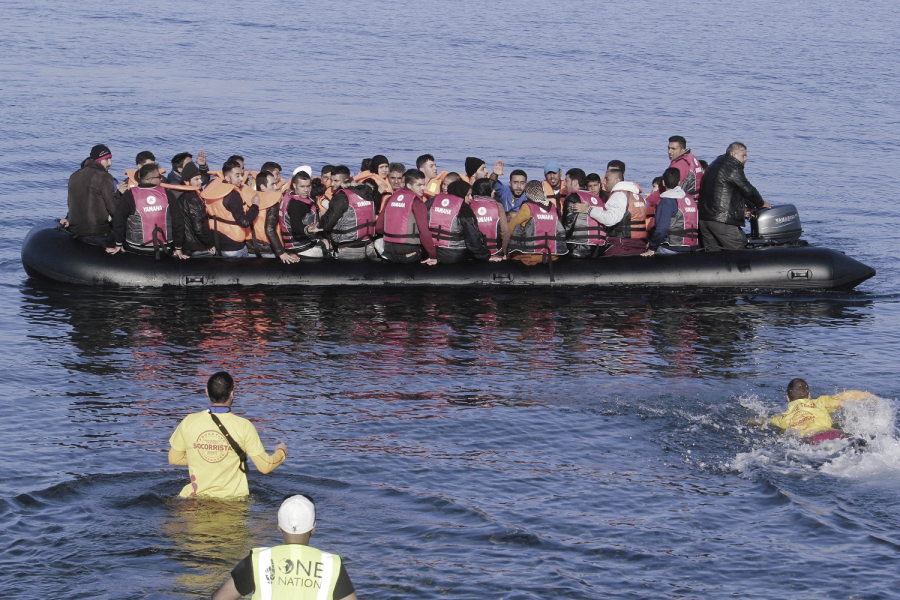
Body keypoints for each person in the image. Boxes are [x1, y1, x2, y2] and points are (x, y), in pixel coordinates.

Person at [211, 494, 357, 600]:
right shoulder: (332, 565)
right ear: (313, 528)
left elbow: (220, 598)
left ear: (279, 527)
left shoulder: (258, 560)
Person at [168, 371, 288, 499]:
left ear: (207, 392)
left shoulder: (189, 421)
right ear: (232, 393)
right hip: (232, 502)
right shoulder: (244, 426)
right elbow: (265, 466)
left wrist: (205, 455)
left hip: (192, 500)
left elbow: (174, 459)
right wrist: (282, 452)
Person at [698, 142, 771, 251]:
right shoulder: (732, 167)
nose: (745, 159)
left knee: (712, 258)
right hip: (722, 221)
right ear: (733, 154)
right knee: (738, 254)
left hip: (705, 219)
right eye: (743, 155)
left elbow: (733, 191)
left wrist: (749, 207)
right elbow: (748, 190)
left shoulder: (715, 164)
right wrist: (760, 204)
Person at [760, 378, 873, 440]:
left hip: (808, 440)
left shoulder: (782, 418)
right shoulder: (820, 402)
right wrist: (871, 397)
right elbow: (848, 396)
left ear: (788, 399)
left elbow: (763, 421)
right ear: (809, 395)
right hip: (834, 434)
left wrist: (747, 420)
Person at [573, 167, 648, 256]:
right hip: (639, 244)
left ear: (617, 180)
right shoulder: (636, 195)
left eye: (607, 179)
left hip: (622, 245)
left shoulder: (619, 195)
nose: (604, 182)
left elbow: (611, 218)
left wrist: (588, 209)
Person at [107, 163, 174, 255]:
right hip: (164, 247)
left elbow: (119, 219)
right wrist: (178, 247)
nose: (161, 178)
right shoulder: (168, 194)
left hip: (135, 247)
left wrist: (118, 243)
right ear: (151, 179)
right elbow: (178, 221)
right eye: (159, 176)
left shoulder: (129, 194)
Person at [313, 165, 377, 259]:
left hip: (347, 249)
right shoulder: (367, 192)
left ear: (346, 180)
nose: (332, 184)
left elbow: (326, 225)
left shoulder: (341, 196)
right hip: (368, 246)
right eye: (331, 180)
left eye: (336, 181)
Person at [424, 180, 495, 264]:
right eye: (468, 195)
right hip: (453, 255)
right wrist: (486, 256)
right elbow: (473, 238)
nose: (471, 198)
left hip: (429, 251)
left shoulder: (432, 201)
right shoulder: (464, 209)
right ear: (461, 194)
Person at [201, 160, 260, 258]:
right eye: (237, 176)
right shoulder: (233, 195)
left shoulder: (212, 186)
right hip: (234, 247)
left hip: (216, 243)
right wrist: (255, 206)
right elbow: (244, 222)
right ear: (227, 178)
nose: (241, 178)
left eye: (241, 175)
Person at [63, 144, 118, 244]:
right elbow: (114, 209)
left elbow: (71, 204)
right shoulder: (104, 177)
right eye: (107, 159)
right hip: (98, 232)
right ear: (98, 160)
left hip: (75, 231)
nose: (110, 163)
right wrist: (119, 195)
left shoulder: (73, 176)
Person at [376, 168, 435, 263]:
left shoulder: (390, 199)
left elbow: (379, 227)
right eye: (419, 185)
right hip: (409, 252)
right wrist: (433, 254)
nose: (423, 188)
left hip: (388, 250)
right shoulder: (417, 203)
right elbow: (424, 232)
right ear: (409, 185)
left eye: (424, 185)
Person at [267, 171, 326, 263]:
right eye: (302, 187)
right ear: (295, 186)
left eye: (308, 186)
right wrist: (308, 230)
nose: (306, 190)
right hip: (301, 247)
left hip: (295, 245)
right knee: (326, 249)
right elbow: (296, 225)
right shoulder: (296, 205)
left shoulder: (289, 195)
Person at [641, 167, 699, 256]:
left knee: (645, 251)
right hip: (692, 247)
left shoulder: (667, 201)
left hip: (671, 248)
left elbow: (662, 229)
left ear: (663, 183)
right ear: (679, 182)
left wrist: (652, 248)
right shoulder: (690, 199)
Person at [507, 180, 568, 264]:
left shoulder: (527, 207)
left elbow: (511, 227)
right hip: (552, 255)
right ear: (542, 191)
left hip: (530, 255)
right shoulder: (553, 208)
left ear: (527, 192)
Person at [169, 161, 216, 258]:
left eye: (200, 178)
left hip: (187, 244)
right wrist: (209, 243)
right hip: (197, 245)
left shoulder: (181, 194)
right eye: (196, 179)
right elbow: (198, 227)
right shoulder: (193, 198)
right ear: (186, 181)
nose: (201, 182)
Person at [562, 168, 607, 258]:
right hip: (599, 248)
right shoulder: (598, 199)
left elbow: (567, 226)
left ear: (574, 182)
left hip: (578, 248)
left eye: (567, 181)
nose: (564, 184)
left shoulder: (573, 197)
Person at [244, 170, 285, 257]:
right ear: (262, 187)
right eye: (272, 184)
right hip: (268, 250)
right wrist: (281, 252)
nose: (276, 187)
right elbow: (270, 230)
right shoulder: (273, 204)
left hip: (250, 247)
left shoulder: (248, 200)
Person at [470, 178, 511, 257]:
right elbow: (505, 232)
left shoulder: (468, 204)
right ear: (486, 190)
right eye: (492, 189)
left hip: (473, 253)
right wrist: (505, 252)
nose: (494, 191)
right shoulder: (498, 206)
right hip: (495, 252)